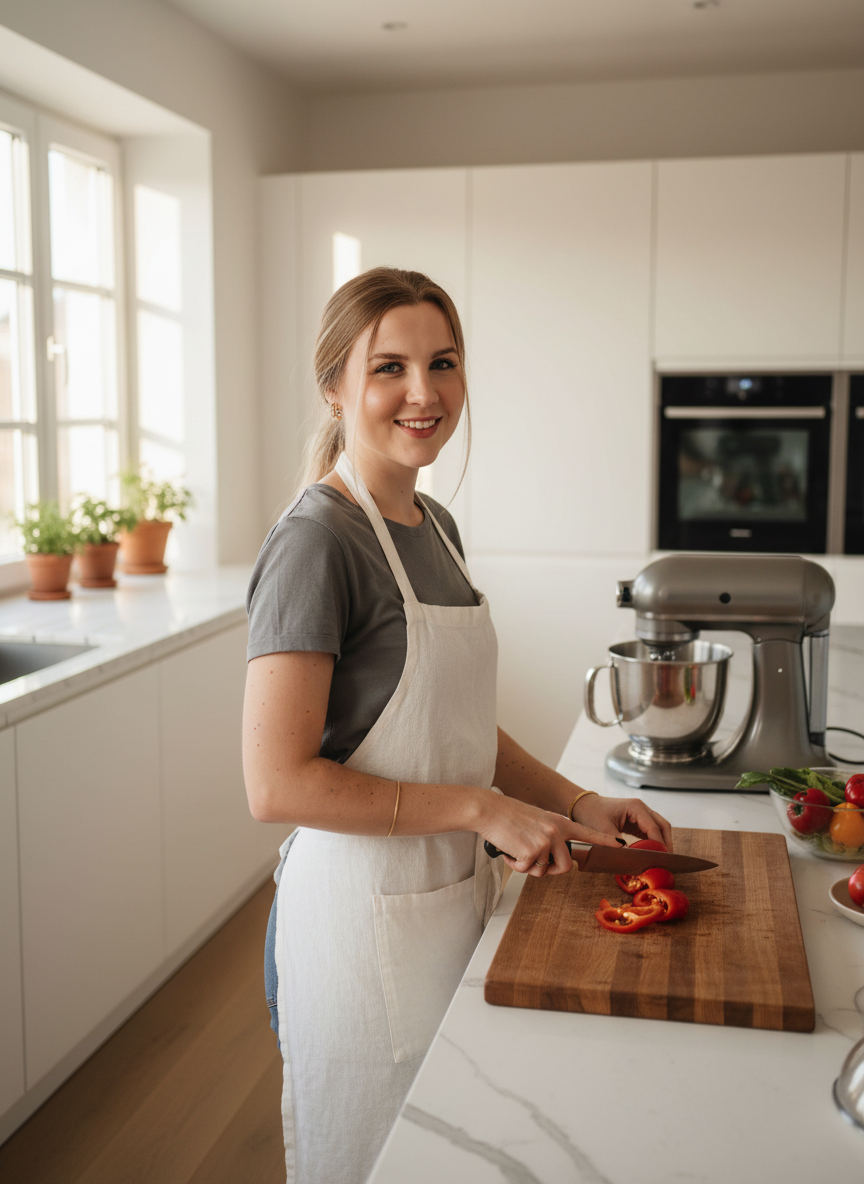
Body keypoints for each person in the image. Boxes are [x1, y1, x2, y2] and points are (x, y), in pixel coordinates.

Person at [242, 267, 672, 1184]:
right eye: (389, 366)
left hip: (444, 904)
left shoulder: (434, 523)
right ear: (335, 386)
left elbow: (461, 727)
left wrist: (576, 799)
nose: (424, 392)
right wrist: (483, 813)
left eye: (443, 362)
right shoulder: (317, 543)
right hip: (357, 930)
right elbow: (277, 784)